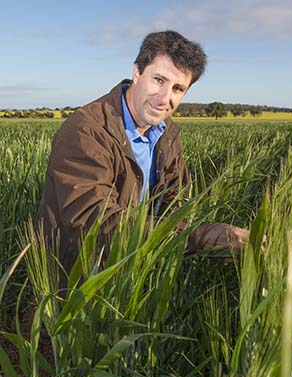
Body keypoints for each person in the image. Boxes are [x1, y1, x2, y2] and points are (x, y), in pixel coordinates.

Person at [36, 30, 249, 275]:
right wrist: (194, 239)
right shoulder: (86, 131)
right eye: (159, 80)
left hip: (136, 269)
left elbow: (174, 200)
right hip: (78, 274)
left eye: (178, 88)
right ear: (137, 72)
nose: (164, 98)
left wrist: (173, 244)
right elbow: (92, 221)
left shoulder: (168, 133)